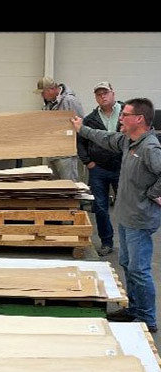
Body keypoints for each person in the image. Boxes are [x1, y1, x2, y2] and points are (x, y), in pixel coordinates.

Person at [72, 98, 161, 333]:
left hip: (139, 219)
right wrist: (83, 129)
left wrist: (151, 194)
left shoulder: (149, 147)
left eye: (125, 115)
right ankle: (134, 309)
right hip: (124, 215)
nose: (120, 118)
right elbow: (106, 138)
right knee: (127, 264)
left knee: (139, 269)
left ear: (138, 119)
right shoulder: (128, 141)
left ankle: (147, 318)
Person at [78, 81, 124, 256]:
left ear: (113, 93)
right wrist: (88, 162)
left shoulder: (128, 113)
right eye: (98, 94)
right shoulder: (90, 119)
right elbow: (80, 141)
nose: (102, 96)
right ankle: (106, 242)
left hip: (122, 168)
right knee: (100, 207)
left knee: (126, 207)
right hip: (99, 169)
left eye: (105, 93)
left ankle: (128, 243)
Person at [37, 76, 85, 182]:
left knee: (69, 185)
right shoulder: (48, 104)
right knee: (55, 188)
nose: (41, 95)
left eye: (43, 92)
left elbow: (80, 125)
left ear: (52, 89)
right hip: (52, 151)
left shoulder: (70, 100)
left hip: (66, 154)